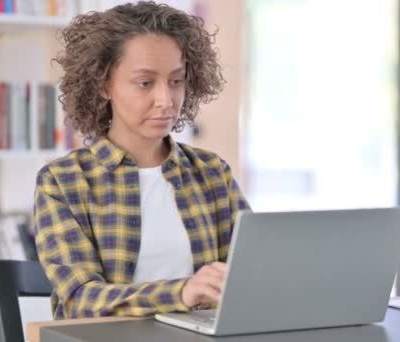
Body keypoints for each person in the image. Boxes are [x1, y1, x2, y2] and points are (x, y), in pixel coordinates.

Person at [33, 1, 250, 319]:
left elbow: (251, 277)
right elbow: (81, 299)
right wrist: (182, 292)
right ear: (104, 84)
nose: (166, 100)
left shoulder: (212, 173)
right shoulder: (64, 181)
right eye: (145, 83)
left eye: (176, 81)